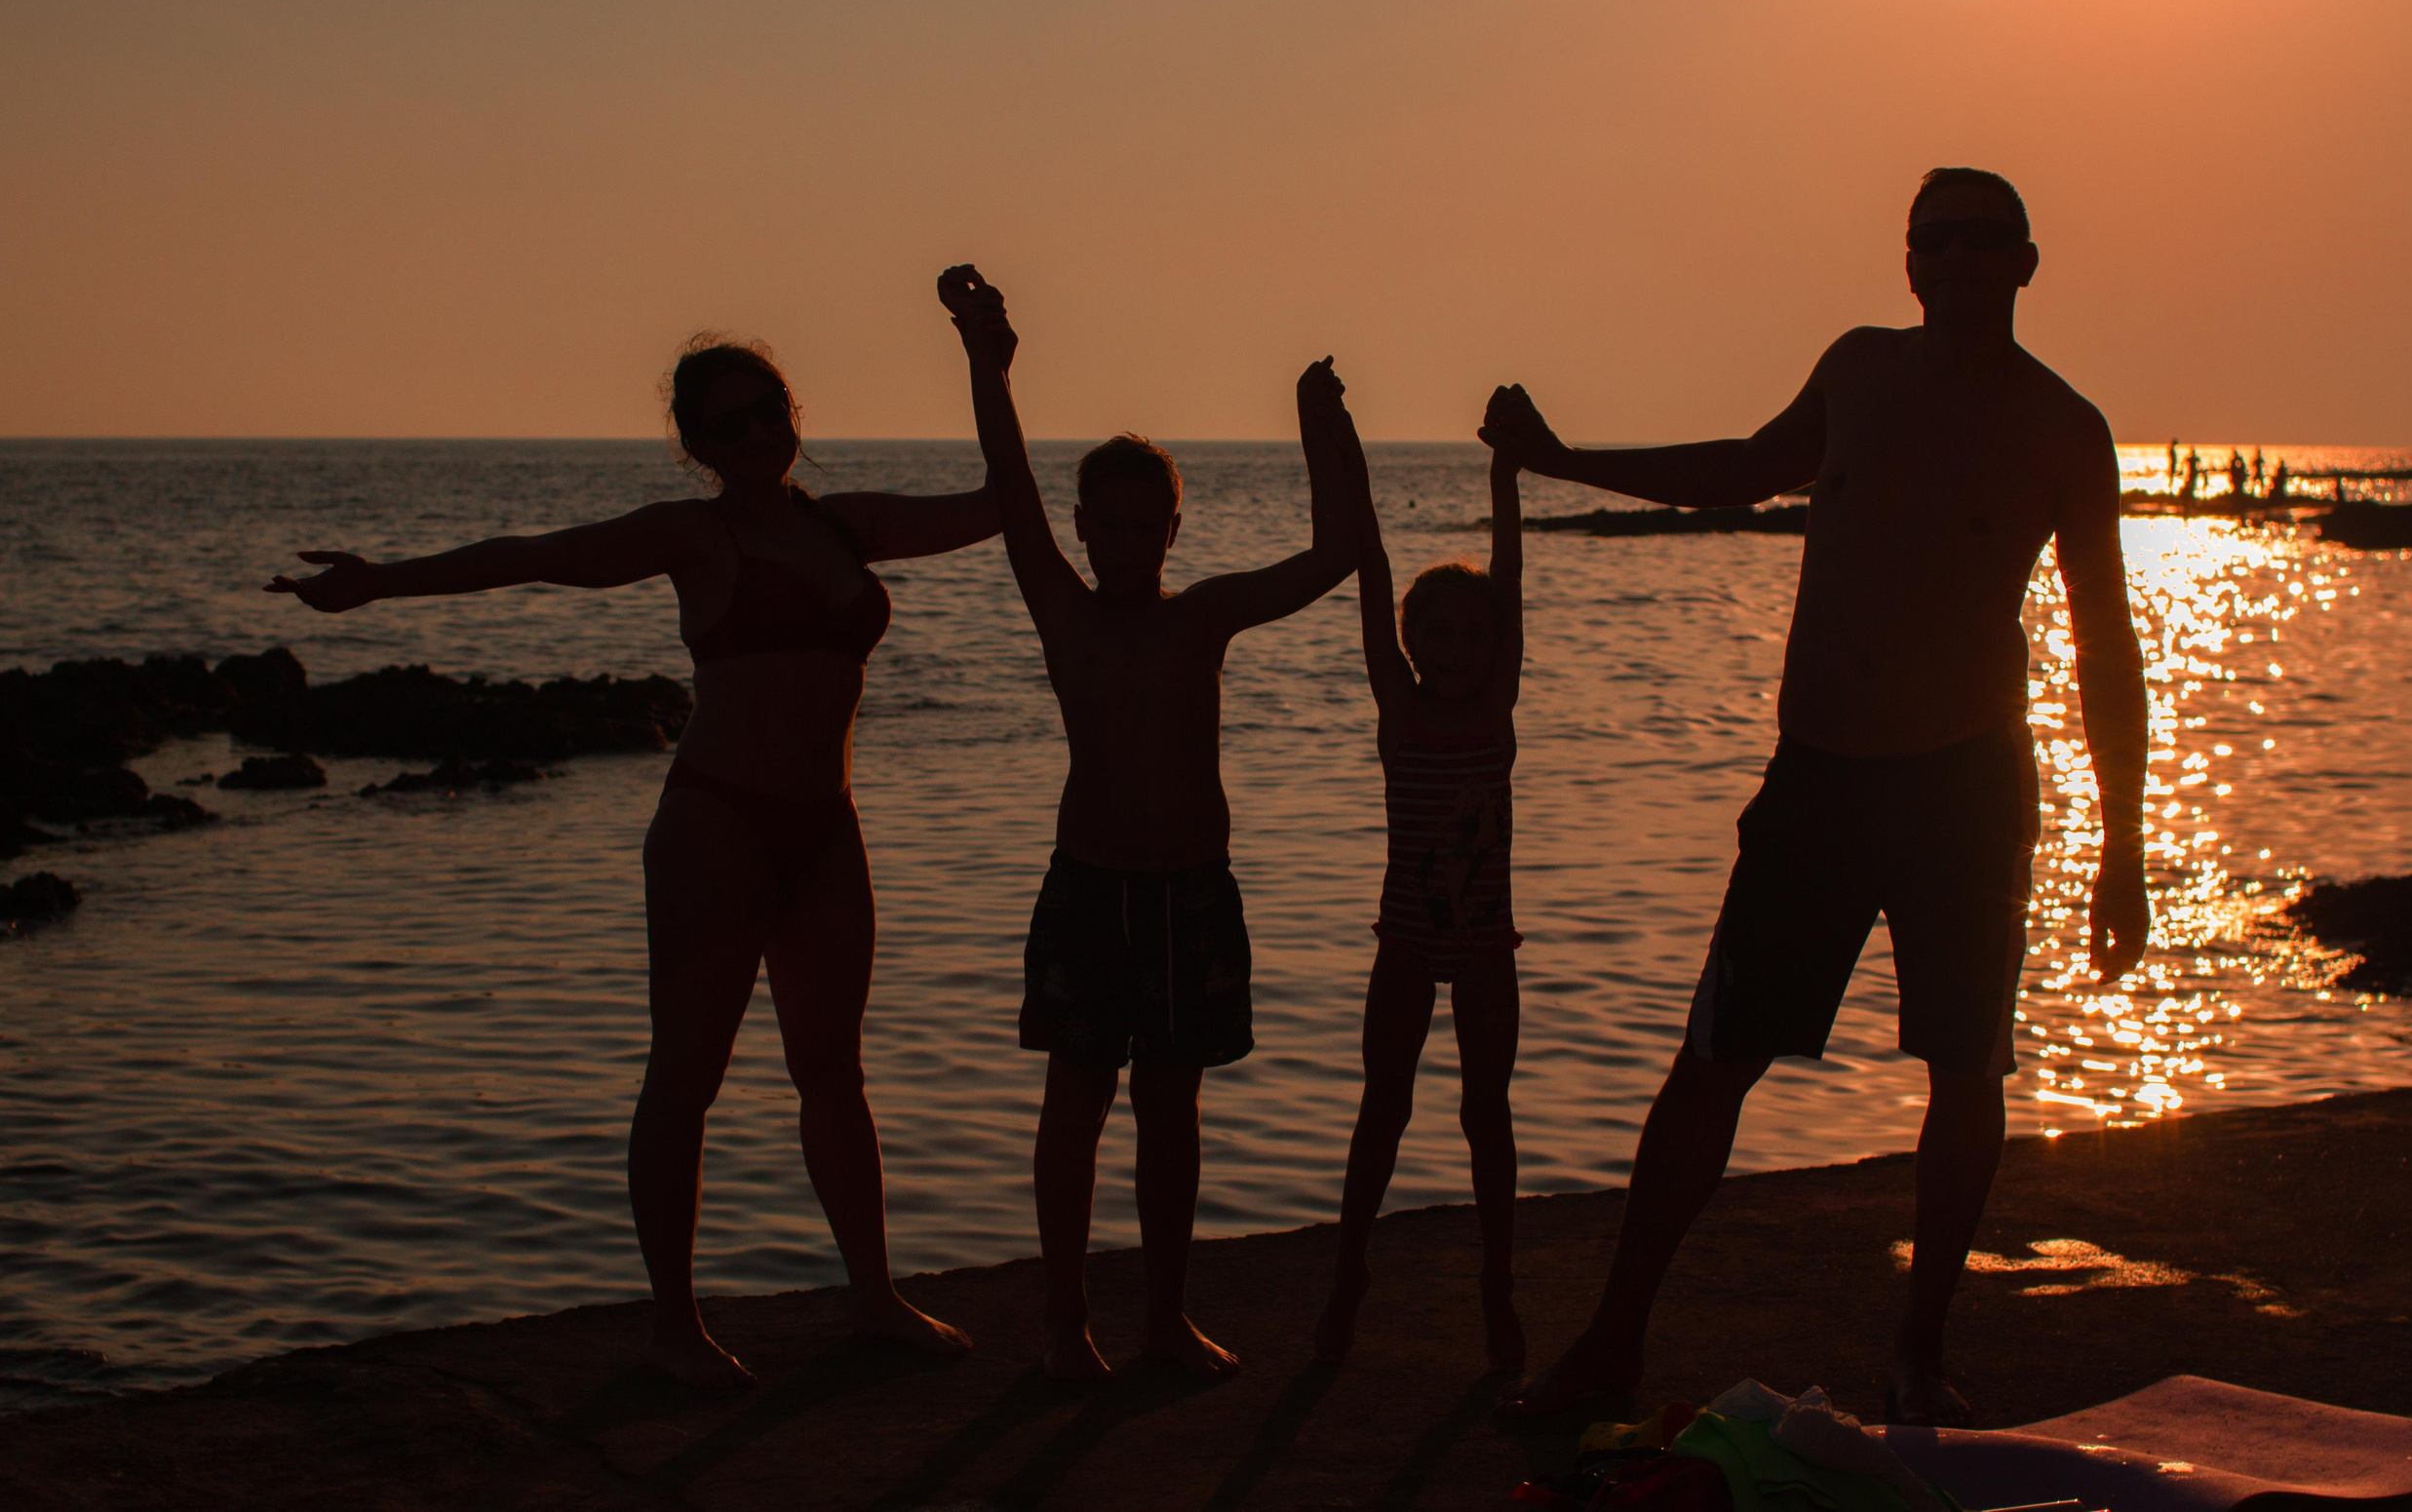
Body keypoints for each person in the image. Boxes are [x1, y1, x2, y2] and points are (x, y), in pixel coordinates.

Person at [1481, 168, 2150, 1425]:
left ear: (2025, 262)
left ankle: (1920, 1345)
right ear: (1908, 264)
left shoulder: (2063, 427)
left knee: (1965, 1067)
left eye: (1980, 239)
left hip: (1964, 786)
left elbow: (2106, 647)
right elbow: (1742, 468)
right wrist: (1562, 460)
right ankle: (1615, 1342)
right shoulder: (1855, 370)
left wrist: (2124, 850)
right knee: (1714, 1059)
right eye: (1931, 238)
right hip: (1818, 782)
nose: (1953, 257)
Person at [266, 334, 999, 1387]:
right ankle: (675, 1327)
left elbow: (1000, 503)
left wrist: (985, 361)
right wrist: (378, 585)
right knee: (685, 1076)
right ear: (695, 444)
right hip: (718, 825)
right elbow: (532, 555)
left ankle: (874, 1298)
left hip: (827, 826)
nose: (757, 434)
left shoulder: (848, 525)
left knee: (833, 1075)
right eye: (729, 422)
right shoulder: (689, 536)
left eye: (771, 411)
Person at [937, 263, 1358, 1381]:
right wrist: (988, 363)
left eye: (1144, 527)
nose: (1124, 546)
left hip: (1189, 892)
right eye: (1105, 528)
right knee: (1075, 1104)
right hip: (1089, 888)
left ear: (1173, 528)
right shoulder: (1064, 612)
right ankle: (1065, 1323)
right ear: (1083, 531)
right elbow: (1010, 483)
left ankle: (1163, 1319)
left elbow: (1333, 555)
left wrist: (1320, 425)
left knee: (1171, 1113)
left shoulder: (1204, 615)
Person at [1314, 417, 1530, 1373]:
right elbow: (1368, 565)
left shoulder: (1493, 709)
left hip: (1486, 951)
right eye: (1432, 634)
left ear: (1495, 647)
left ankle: (1499, 1283)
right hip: (1403, 943)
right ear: (1408, 643)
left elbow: (1510, 573)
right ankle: (1348, 1271)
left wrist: (1506, 466)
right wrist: (1340, 442)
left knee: (1488, 1114)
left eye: (1470, 634)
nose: (1451, 648)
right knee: (1383, 1108)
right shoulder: (1398, 711)